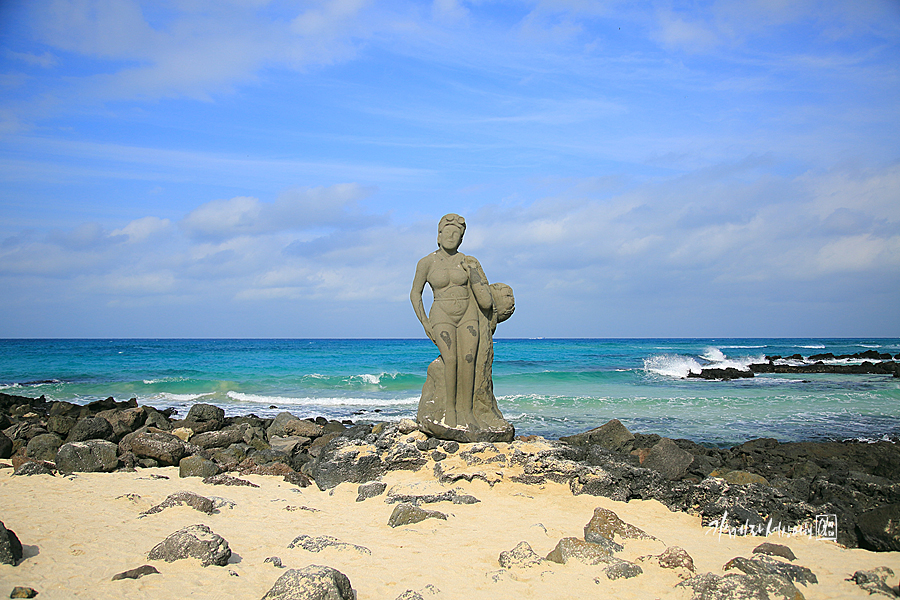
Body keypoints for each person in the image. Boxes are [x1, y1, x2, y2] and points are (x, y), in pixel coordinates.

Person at [410, 214, 494, 429]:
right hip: (441, 313)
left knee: (469, 359)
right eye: (447, 232)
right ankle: (450, 410)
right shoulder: (426, 263)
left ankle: (468, 411)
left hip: (467, 313)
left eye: (456, 233)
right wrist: (425, 322)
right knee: (451, 359)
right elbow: (415, 294)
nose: (451, 236)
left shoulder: (468, 261)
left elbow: (485, 299)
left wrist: (473, 272)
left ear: (461, 239)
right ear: (438, 236)